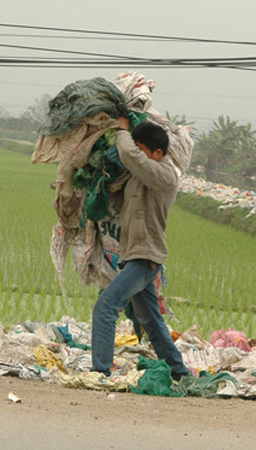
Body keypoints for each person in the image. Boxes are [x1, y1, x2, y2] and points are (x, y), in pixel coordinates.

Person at [91, 118, 189, 380]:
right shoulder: (139, 177)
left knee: (106, 306)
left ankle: (100, 371)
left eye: (143, 151)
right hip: (133, 256)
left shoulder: (165, 176)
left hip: (146, 257)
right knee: (152, 322)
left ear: (158, 153)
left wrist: (123, 130)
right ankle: (180, 372)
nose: (139, 158)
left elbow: (130, 156)